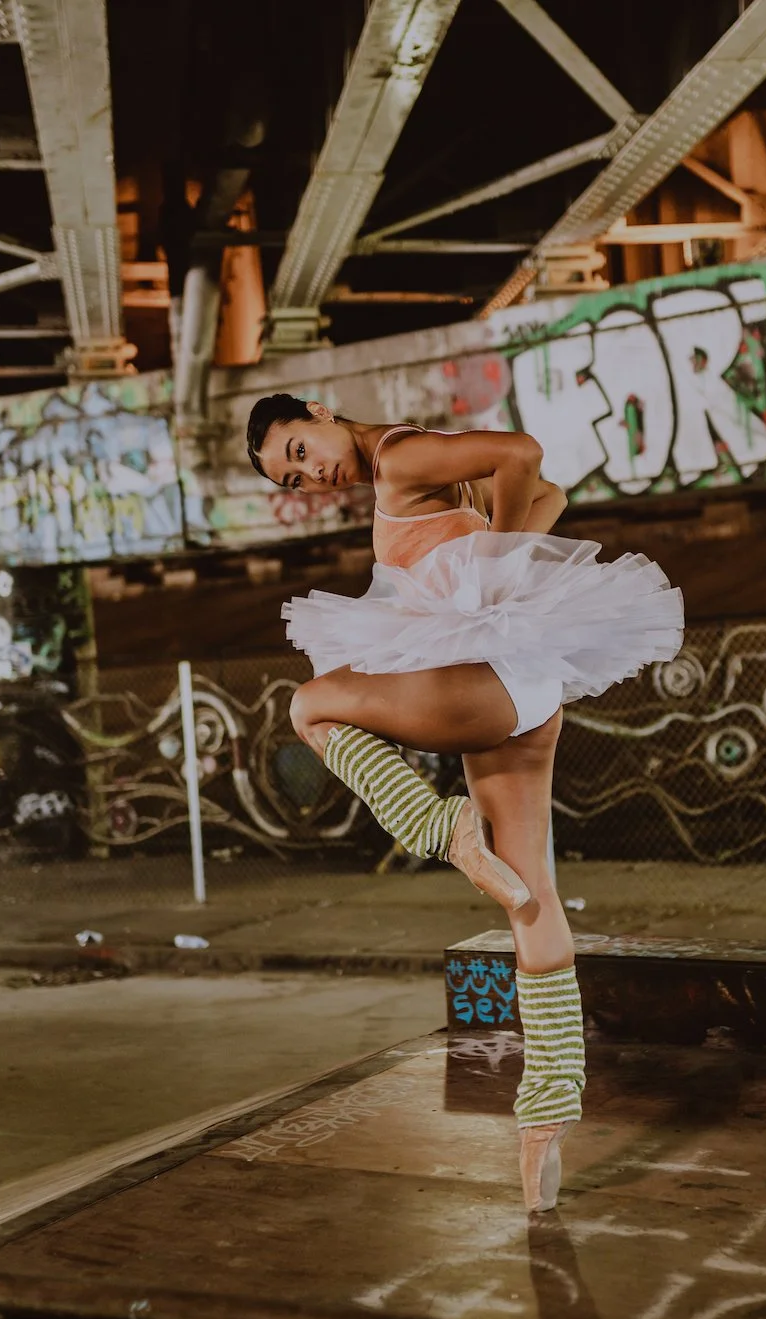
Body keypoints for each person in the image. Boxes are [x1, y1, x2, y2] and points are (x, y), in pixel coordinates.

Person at [246, 394, 683, 1212]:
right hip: (528, 692)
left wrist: (499, 582)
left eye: (301, 447)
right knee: (530, 895)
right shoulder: (425, 472)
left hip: (490, 680)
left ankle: (435, 824)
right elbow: (548, 494)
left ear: (321, 412)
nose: (312, 472)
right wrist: (499, 560)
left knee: (310, 706)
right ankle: (546, 1115)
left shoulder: (401, 459)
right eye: (294, 475)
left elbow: (520, 450)